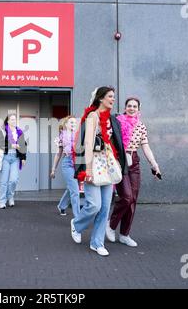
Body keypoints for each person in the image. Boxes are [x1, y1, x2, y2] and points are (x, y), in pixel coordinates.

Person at [70, 87, 127, 256]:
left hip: (107, 165)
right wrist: (87, 168)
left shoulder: (112, 119)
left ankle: (97, 243)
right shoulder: (92, 116)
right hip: (93, 164)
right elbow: (87, 144)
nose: (113, 99)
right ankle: (77, 224)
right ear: (101, 98)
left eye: (114, 97)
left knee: (104, 208)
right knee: (94, 205)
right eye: (110, 96)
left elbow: (116, 143)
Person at [106, 97, 161, 247]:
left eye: (134, 106)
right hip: (120, 160)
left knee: (133, 199)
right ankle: (111, 224)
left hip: (134, 161)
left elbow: (146, 147)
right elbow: (108, 140)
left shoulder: (141, 126)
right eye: (129, 106)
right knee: (126, 197)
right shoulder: (117, 122)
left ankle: (124, 234)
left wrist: (154, 163)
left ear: (138, 109)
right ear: (125, 107)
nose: (131, 108)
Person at [50, 115, 80, 217]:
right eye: (71, 122)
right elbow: (58, 154)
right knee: (75, 191)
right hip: (67, 163)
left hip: (77, 163)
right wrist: (53, 170)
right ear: (66, 124)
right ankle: (78, 217)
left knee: (71, 188)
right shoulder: (61, 137)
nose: (73, 124)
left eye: (75, 123)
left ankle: (62, 206)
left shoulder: (78, 136)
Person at [0, 113, 27, 209]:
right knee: (4, 181)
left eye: (15, 119)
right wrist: (11, 145)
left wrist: (23, 158)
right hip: (5, 157)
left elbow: (23, 145)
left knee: (13, 180)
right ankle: (2, 201)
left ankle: (10, 196)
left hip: (15, 158)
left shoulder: (19, 131)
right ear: (8, 121)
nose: (14, 121)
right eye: (12, 119)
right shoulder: (3, 131)